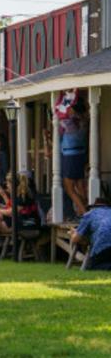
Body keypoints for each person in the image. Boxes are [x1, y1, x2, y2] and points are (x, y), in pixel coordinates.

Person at [56, 89, 89, 217]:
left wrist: (64, 98)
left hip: (70, 154)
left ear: (73, 109)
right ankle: (84, 210)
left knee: (69, 188)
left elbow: (60, 116)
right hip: (80, 154)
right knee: (80, 185)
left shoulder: (70, 122)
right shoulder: (84, 120)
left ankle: (85, 213)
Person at [72, 189, 111, 271]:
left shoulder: (90, 214)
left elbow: (76, 239)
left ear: (94, 206)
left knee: (92, 267)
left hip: (103, 246)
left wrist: (73, 233)